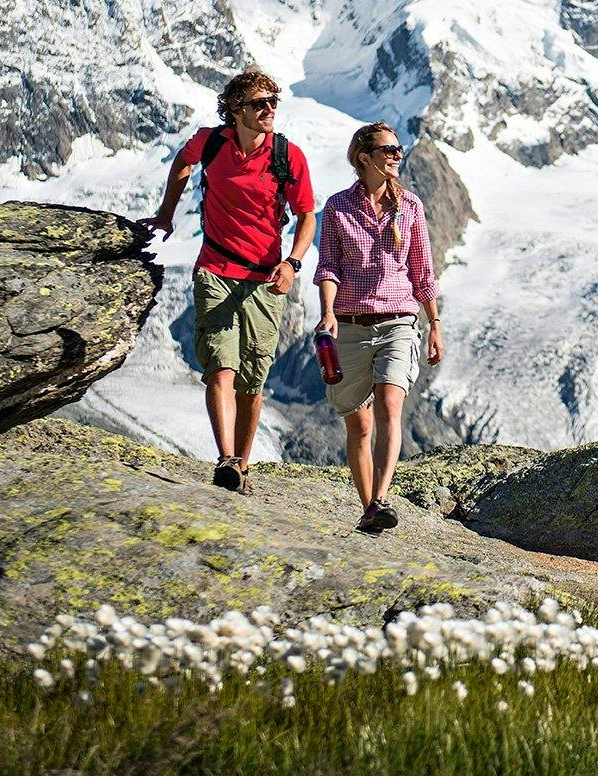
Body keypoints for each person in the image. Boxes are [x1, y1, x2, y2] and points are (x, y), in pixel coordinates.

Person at [139, 68, 315, 496]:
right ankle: (225, 460)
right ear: (235, 110)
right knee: (220, 368)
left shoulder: (286, 156)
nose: (269, 109)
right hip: (215, 269)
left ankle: (242, 464)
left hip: (264, 279)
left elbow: (307, 215)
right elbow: (183, 161)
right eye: (259, 103)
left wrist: (292, 261)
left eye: (273, 101)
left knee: (252, 382)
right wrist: (167, 212)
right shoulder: (212, 142)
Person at [314, 121, 443, 532]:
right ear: (364, 158)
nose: (396, 155)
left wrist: (435, 323)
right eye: (388, 150)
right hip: (350, 323)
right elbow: (329, 265)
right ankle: (369, 506)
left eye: (398, 149)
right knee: (359, 423)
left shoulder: (411, 207)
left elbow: (422, 271)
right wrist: (328, 312)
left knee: (390, 405)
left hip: (398, 320)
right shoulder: (336, 207)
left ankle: (382, 498)